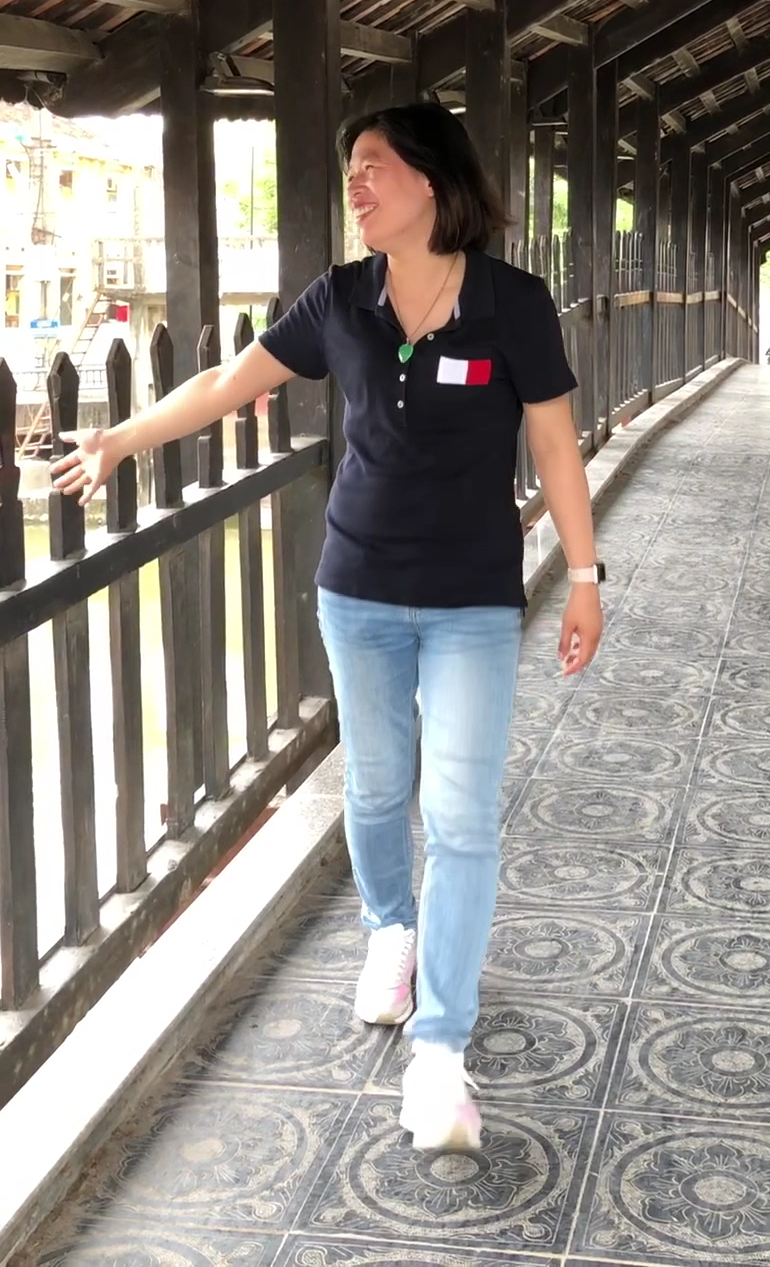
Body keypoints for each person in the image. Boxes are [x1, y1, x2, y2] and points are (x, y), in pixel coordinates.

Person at [52, 103, 604, 1153]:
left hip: (474, 600)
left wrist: (583, 577)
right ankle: (391, 930)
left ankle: (439, 1052)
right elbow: (230, 382)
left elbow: (555, 444)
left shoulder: (513, 304)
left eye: (373, 166)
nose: (355, 184)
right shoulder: (341, 299)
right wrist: (121, 438)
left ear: (431, 182)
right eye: (351, 167)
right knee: (378, 788)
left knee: (462, 816)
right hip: (358, 591)